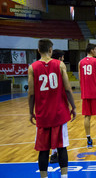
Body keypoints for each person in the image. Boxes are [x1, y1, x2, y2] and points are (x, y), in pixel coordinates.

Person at [28, 39, 76, 178]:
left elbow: (31, 93)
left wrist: (31, 112)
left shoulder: (32, 67)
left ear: (38, 50)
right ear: (50, 50)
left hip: (43, 114)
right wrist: (73, 107)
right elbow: (67, 89)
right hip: (59, 113)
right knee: (62, 147)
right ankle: (64, 176)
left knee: (43, 150)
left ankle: (44, 177)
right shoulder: (60, 65)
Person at [49, 49, 66, 164]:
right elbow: (66, 87)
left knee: (49, 131)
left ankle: (52, 153)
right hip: (58, 102)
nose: (64, 59)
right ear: (60, 58)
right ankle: (58, 153)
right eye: (63, 57)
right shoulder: (60, 66)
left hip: (45, 103)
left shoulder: (41, 66)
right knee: (59, 132)